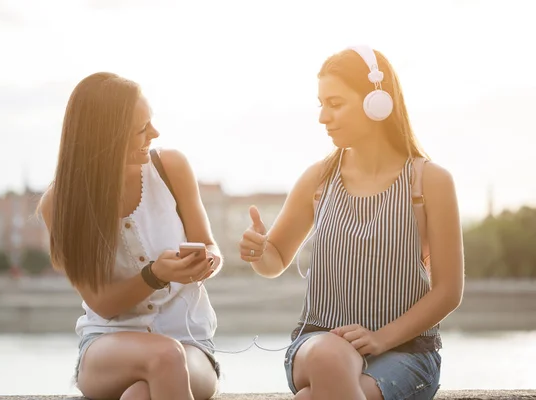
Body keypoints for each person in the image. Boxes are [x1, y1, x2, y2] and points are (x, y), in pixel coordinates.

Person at [239, 46, 464, 400]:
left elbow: (449, 292)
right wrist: (259, 252)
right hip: (317, 344)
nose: (323, 117)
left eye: (335, 103)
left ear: (378, 102)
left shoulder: (430, 181)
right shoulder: (318, 179)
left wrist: (380, 339)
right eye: (321, 104)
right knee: (331, 354)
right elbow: (274, 260)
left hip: (406, 354)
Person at [39, 72, 222, 400]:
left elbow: (209, 246)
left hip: (190, 342)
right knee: (164, 357)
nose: (155, 133)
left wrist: (207, 261)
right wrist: (155, 275)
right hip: (108, 345)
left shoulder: (171, 168)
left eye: (151, 122)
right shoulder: (59, 204)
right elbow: (102, 304)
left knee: (141, 393)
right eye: (142, 129)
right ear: (105, 138)